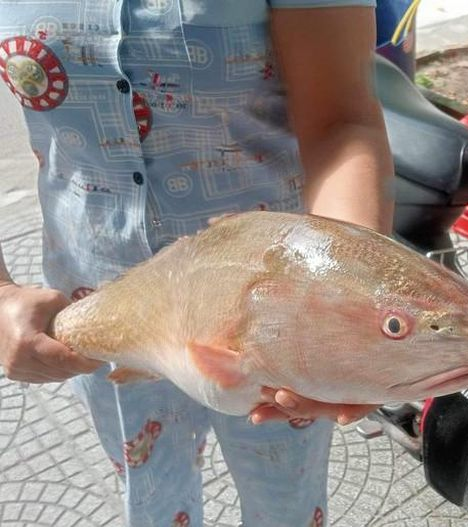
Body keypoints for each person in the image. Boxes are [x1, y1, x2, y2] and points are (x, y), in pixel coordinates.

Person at [0, 1, 394, 525]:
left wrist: (351, 303)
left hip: (275, 310)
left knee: (287, 499)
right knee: (151, 494)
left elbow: (341, 119)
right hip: (98, 305)